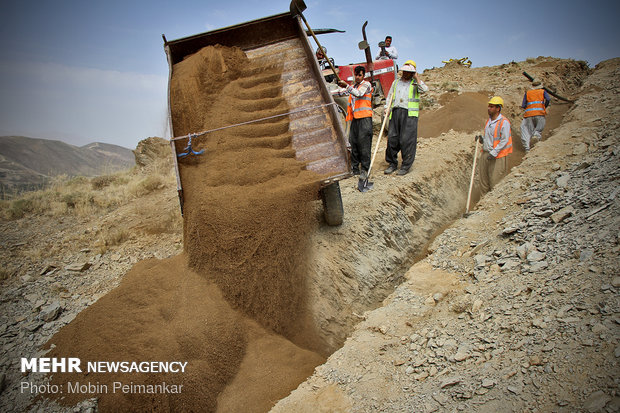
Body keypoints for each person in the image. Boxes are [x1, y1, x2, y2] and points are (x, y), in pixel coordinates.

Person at [383, 60, 428, 175]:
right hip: (396, 113)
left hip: (409, 115)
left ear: (413, 73)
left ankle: (405, 166)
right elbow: (389, 97)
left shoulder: (415, 84)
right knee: (392, 139)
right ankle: (392, 163)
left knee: (406, 140)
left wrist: (417, 78)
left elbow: (425, 90)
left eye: (409, 72)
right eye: (405, 71)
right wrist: (386, 108)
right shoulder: (396, 82)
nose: (406, 74)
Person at [335, 66, 373, 178]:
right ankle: (355, 168)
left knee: (364, 144)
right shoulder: (354, 86)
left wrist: (346, 86)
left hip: (365, 119)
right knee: (354, 143)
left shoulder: (366, 85)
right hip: (356, 119)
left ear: (363, 76)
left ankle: (365, 169)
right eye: (356, 75)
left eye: (359, 75)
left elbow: (359, 93)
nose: (357, 77)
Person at [477, 96, 512, 195]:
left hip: (497, 156)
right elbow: (490, 138)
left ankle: (493, 204)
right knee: (483, 182)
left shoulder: (504, 122)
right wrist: (481, 140)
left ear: (498, 108)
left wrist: (494, 152)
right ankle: (483, 204)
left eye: (492, 107)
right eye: (489, 106)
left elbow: (504, 140)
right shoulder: (489, 121)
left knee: (496, 181)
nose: (489, 108)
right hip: (486, 153)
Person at [520, 80, 550, 151]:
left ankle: (527, 148)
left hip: (528, 115)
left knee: (527, 130)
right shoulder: (542, 91)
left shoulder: (527, 93)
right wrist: (544, 106)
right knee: (538, 129)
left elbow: (523, 105)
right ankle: (536, 136)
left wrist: (529, 107)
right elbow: (548, 99)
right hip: (540, 113)